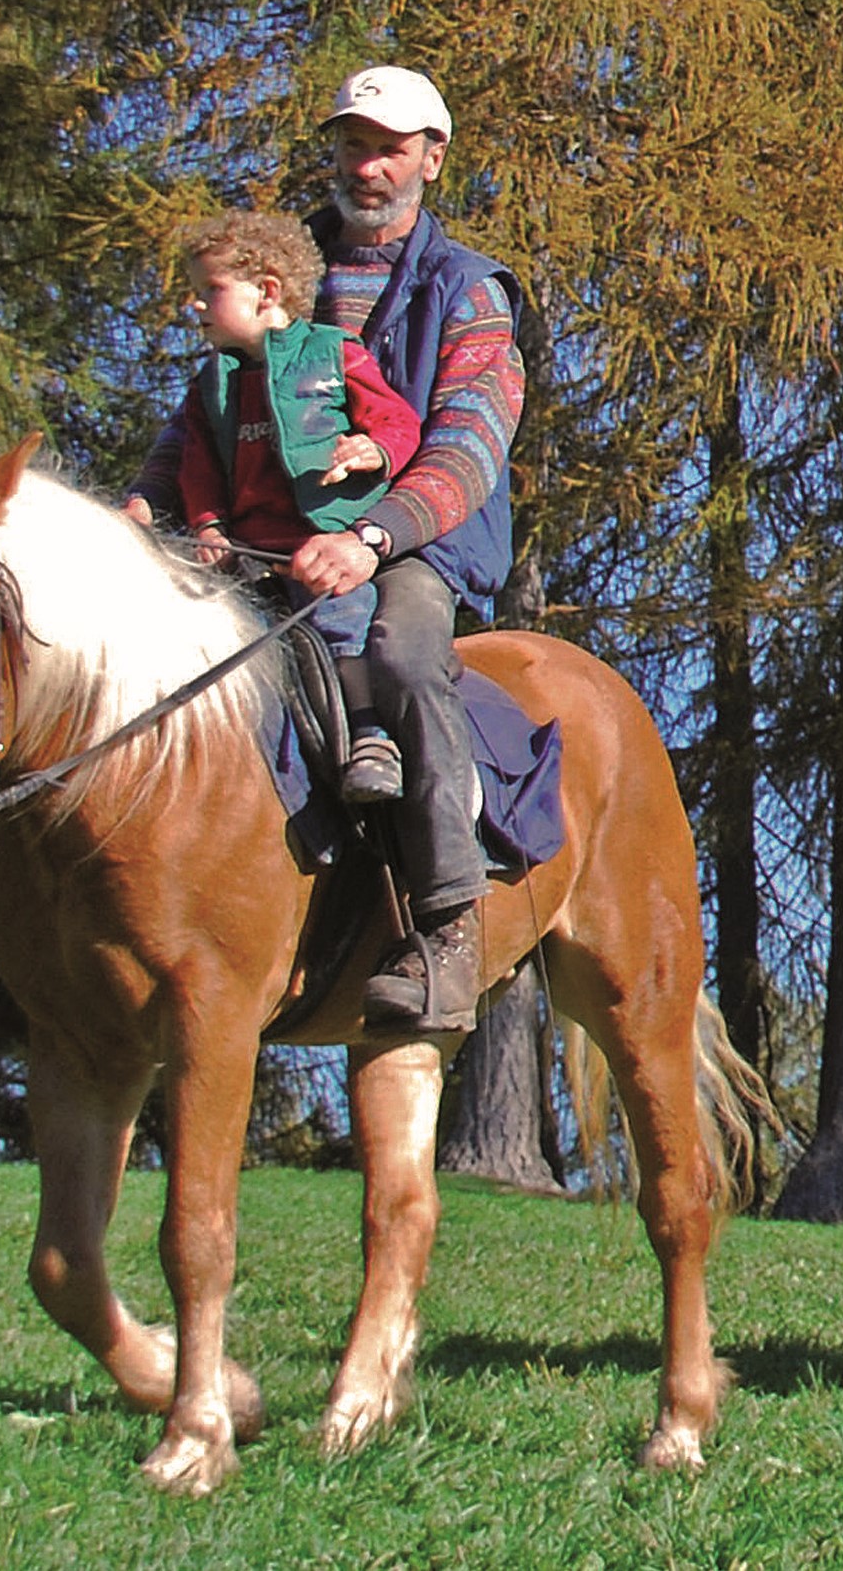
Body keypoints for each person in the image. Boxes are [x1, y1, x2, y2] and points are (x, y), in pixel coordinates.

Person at [130, 64, 531, 1036]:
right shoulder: (282, 267)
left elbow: (471, 440)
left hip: (409, 547)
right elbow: (208, 412)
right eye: (353, 143)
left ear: (430, 159)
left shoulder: (468, 290)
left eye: (388, 146)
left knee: (401, 656)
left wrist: (371, 535)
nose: (366, 164)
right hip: (266, 540)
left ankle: (444, 927)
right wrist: (146, 503)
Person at [124, 214, 421, 748]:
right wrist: (208, 525)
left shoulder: (333, 351)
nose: (194, 305)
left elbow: (398, 422)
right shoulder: (214, 382)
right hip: (249, 557)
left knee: (342, 630)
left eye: (209, 290)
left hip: (325, 546)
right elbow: (198, 468)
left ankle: (368, 738)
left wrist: (372, 450)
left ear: (267, 292)